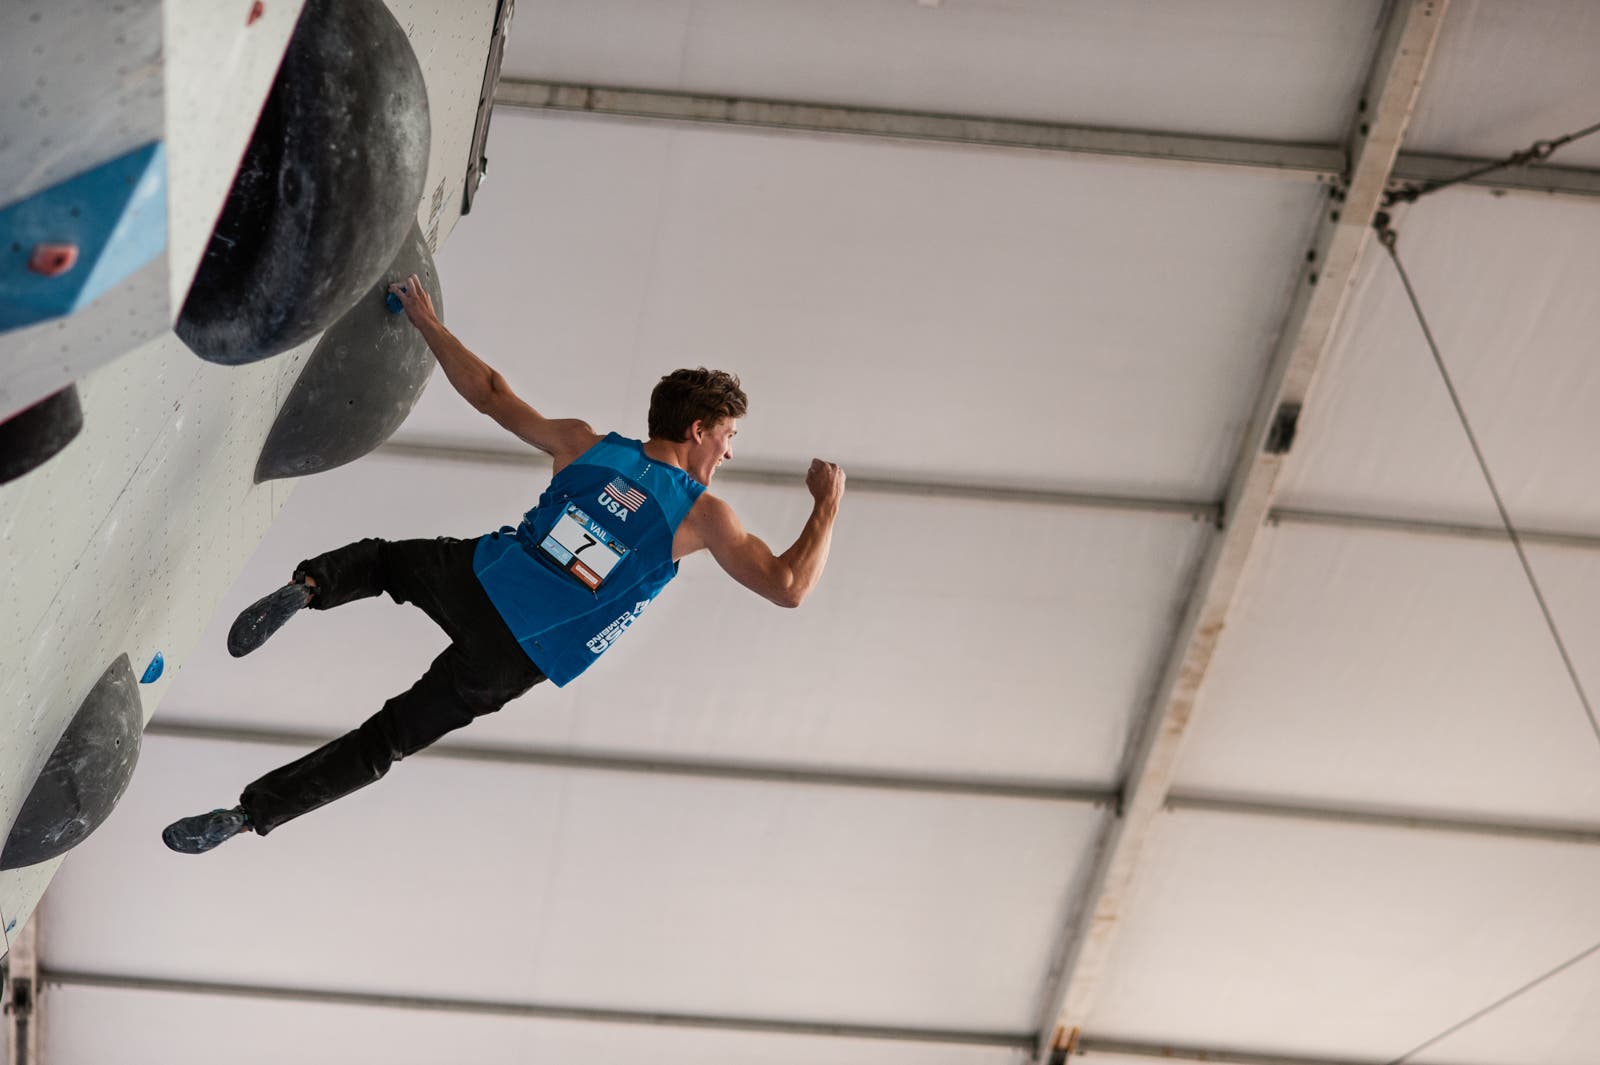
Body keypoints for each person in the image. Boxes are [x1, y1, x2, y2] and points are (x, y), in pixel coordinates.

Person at [162, 274, 845, 853]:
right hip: (517, 654)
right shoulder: (702, 514)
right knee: (385, 740)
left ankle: (308, 586)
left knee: (381, 563)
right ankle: (247, 815)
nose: (729, 452)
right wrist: (827, 505)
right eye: (728, 436)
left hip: (483, 577)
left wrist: (425, 320)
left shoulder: (587, 446)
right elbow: (787, 586)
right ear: (698, 429)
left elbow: (490, 393)